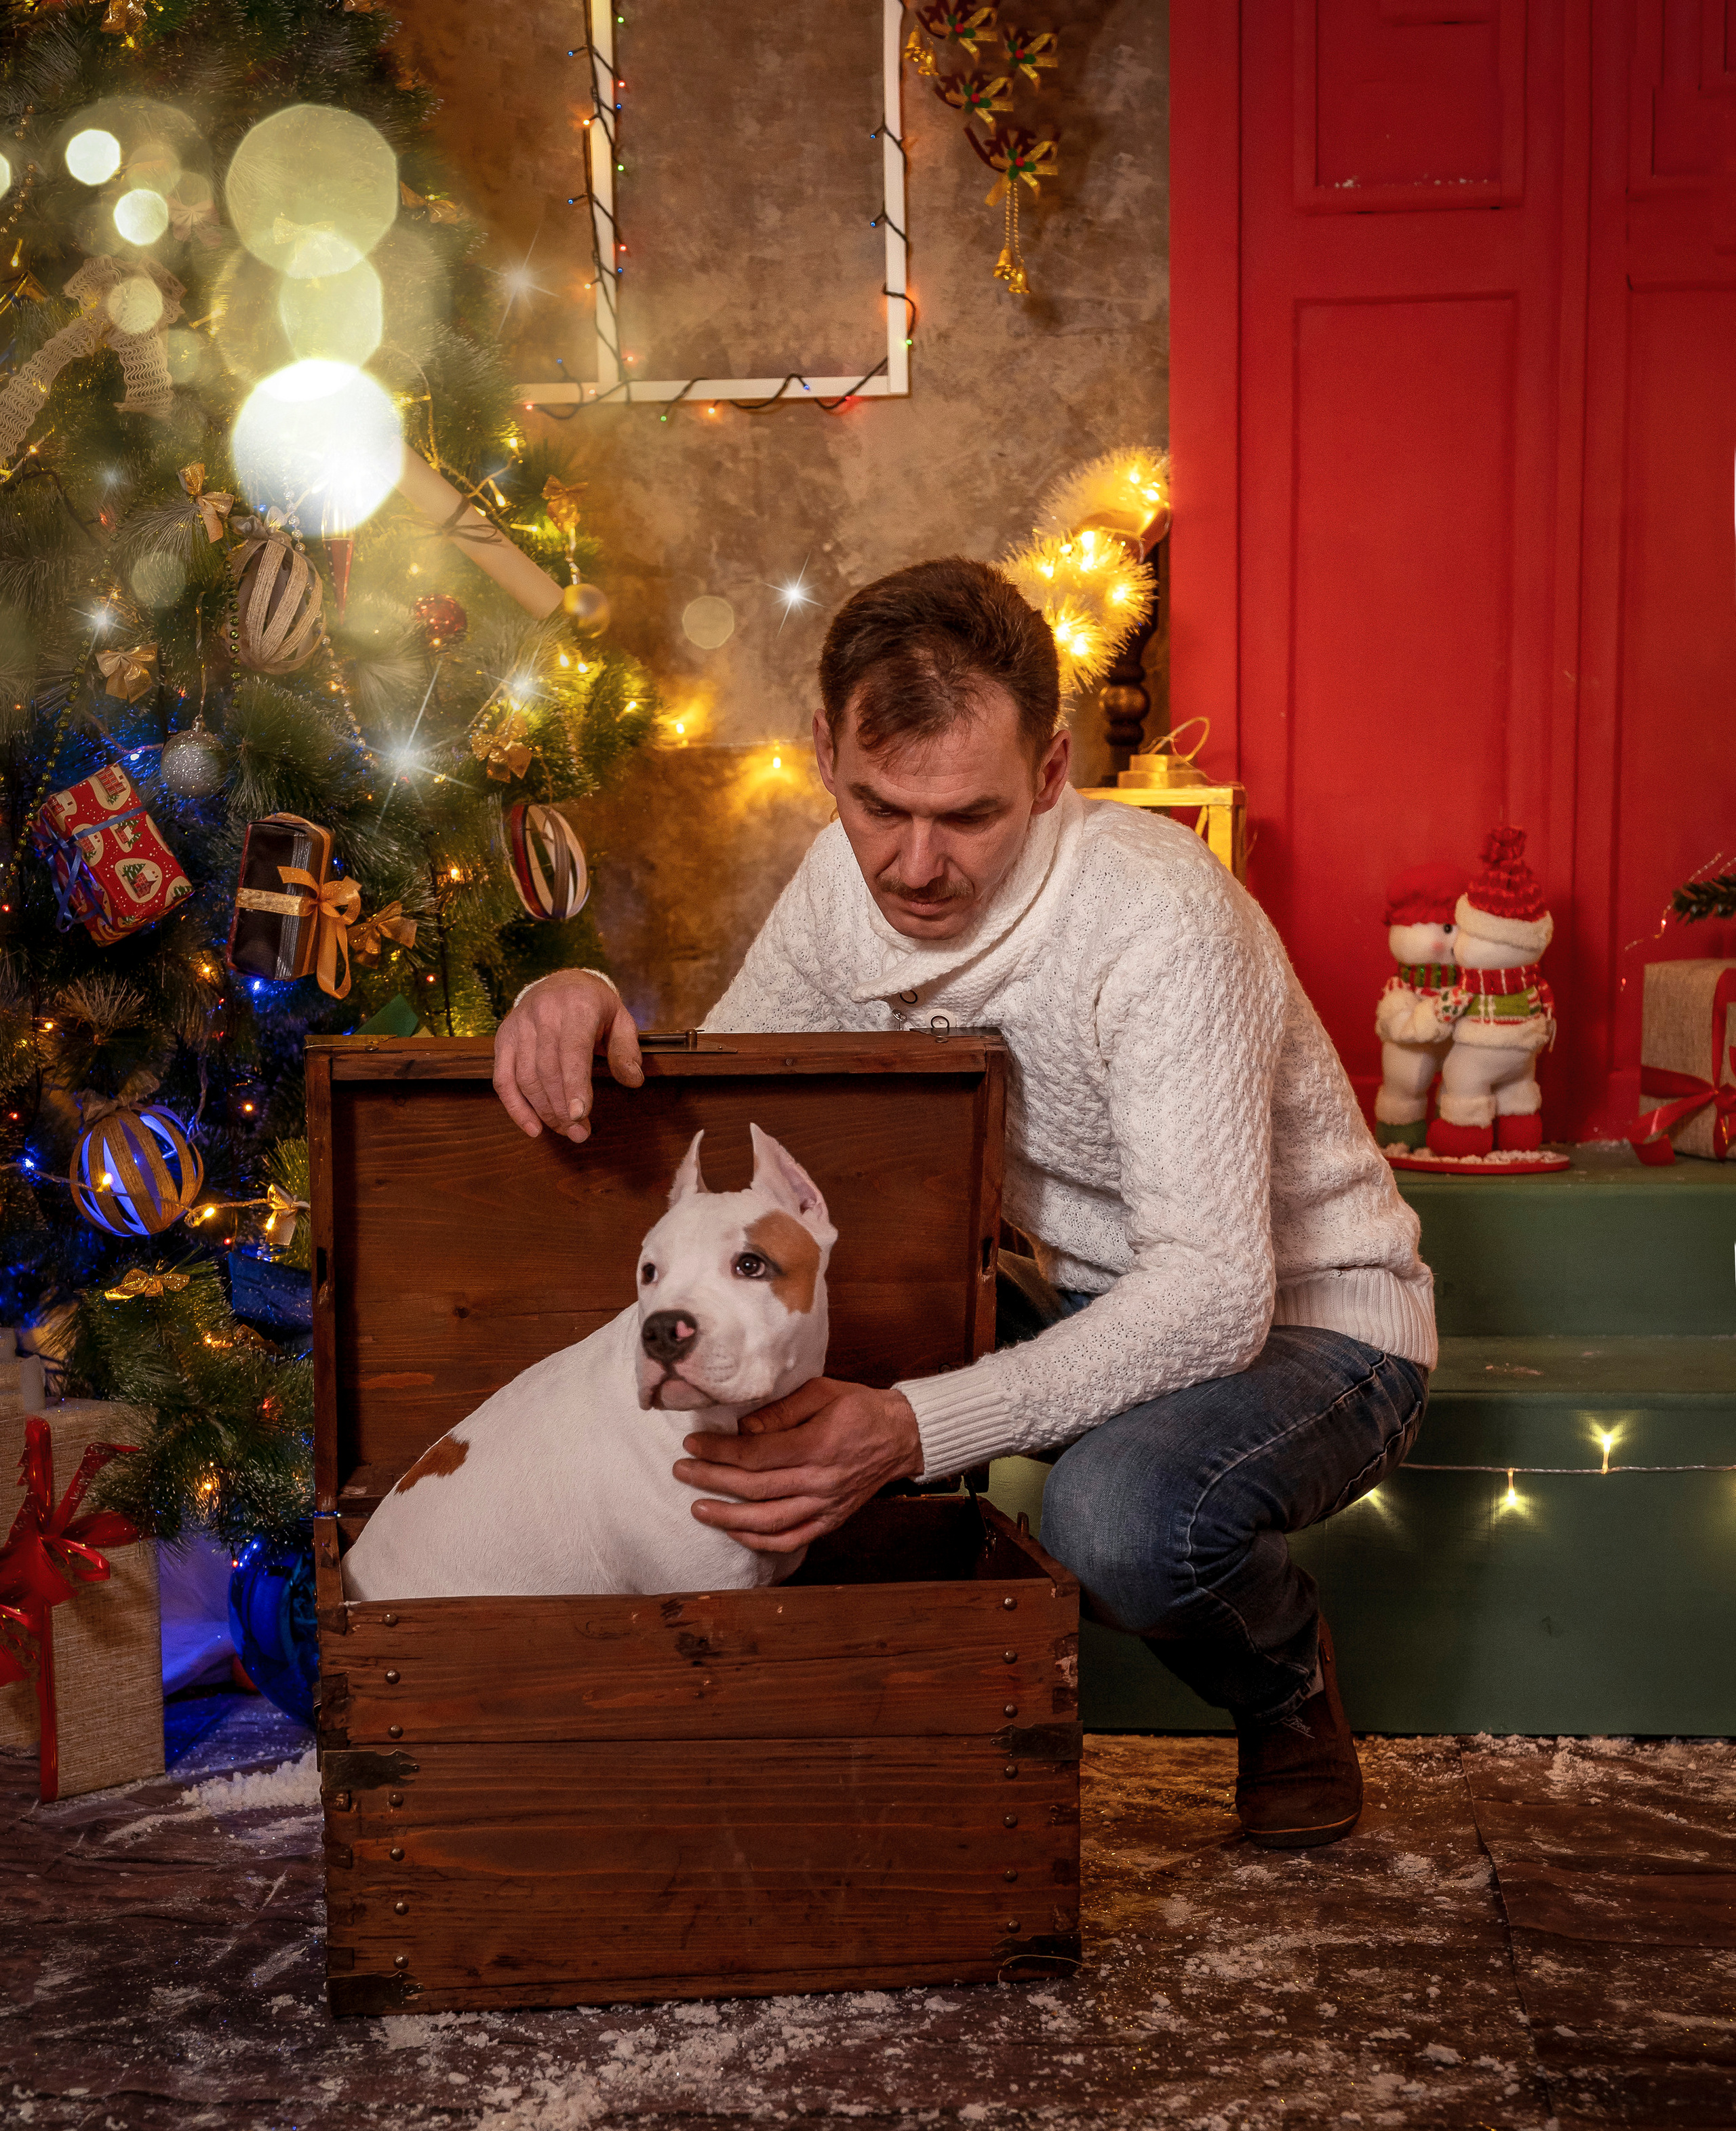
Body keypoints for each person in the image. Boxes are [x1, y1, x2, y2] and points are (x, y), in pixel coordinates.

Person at [492, 559, 1434, 1848]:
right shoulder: (841, 880)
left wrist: (908, 1427)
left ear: (1049, 773)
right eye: (878, 807)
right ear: (824, 751)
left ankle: (1283, 1684)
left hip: (1310, 1325)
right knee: (771, 1335)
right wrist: (586, 998)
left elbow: (1216, 1296)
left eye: (971, 817)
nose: (916, 866)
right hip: (1063, 1289)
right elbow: (735, 1116)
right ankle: (797, 1715)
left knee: (1116, 1520)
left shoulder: (1162, 918)